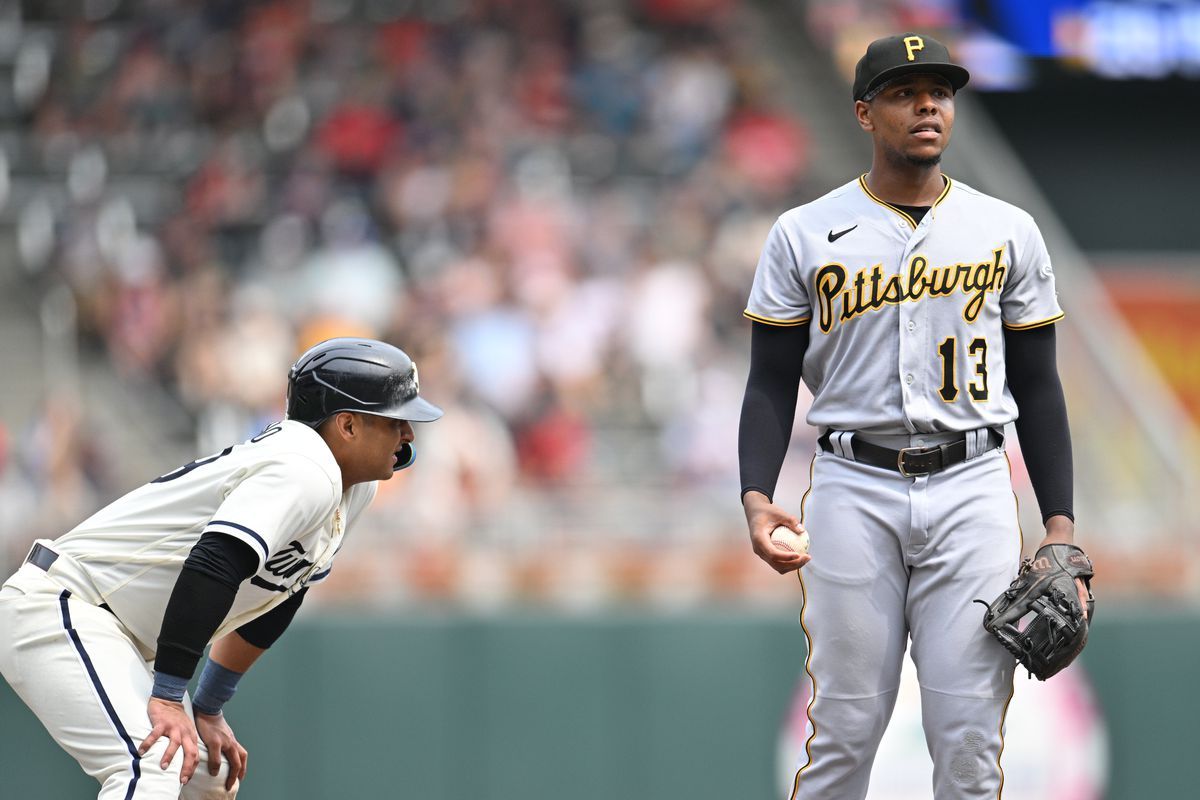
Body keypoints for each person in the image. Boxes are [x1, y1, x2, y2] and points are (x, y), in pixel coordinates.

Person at [737, 34, 1088, 799]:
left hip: (972, 487)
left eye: (940, 91)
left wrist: (1059, 523)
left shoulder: (1007, 230)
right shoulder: (804, 232)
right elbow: (769, 382)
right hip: (851, 487)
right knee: (845, 733)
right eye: (904, 91)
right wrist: (757, 498)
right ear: (864, 113)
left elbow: (1040, 382)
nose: (927, 104)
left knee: (968, 743)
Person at [0, 337, 442, 799]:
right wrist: (170, 696)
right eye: (395, 420)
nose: (409, 434)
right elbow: (214, 561)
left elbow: (281, 595)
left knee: (209, 777)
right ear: (347, 426)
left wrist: (208, 705)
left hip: (119, 630)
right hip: (66, 605)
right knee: (155, 762)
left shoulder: (350, 488)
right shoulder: (305, 469)